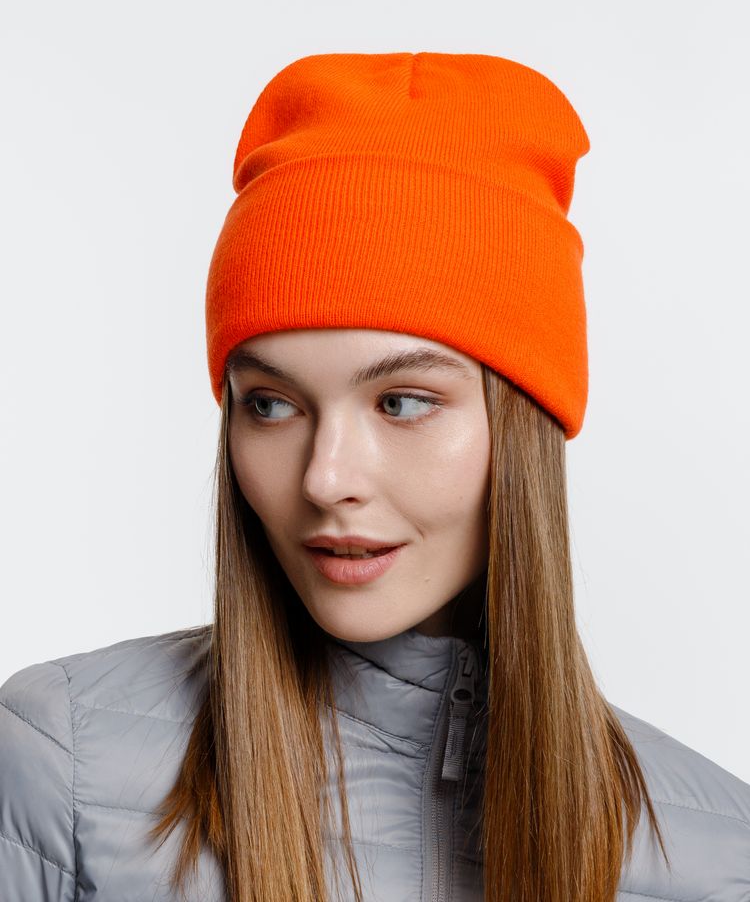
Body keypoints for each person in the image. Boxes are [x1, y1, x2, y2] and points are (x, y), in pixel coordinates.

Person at [0, 51, 748, 902]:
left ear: (523, 427)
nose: (325, 479)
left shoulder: (720, 858)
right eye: (271, 405)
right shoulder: (64, 767)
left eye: (402, 403)